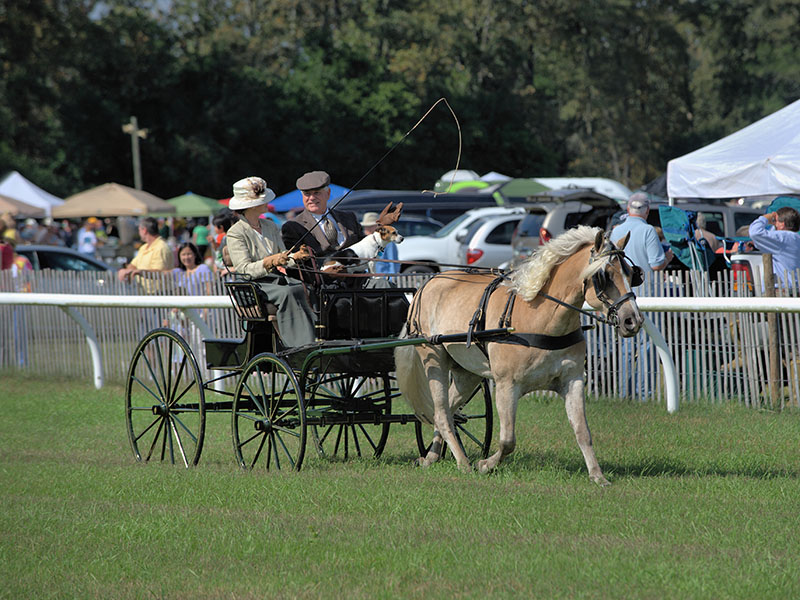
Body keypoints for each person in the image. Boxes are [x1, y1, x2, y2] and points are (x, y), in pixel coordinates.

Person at [225, 176, 316, 347]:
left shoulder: (270, 226)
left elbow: (282, 256)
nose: (267, 202)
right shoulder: (235, 233)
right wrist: (270, 261)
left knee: (303, 287)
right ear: (250, 205)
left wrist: (294, 257)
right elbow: (243, 269)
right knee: (288, 293)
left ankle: (313, 337)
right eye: (263, 199)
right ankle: (297, 345)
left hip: (276, 281)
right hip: (253, 286)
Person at [280, 170, 402, 286]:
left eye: (316, 193)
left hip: (358, 281)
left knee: (387, 287)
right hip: (324, 287)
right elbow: (295, 267)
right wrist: (325, 276)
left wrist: (382, 227)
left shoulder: (348, 217)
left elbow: (367, 245)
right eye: (307, 194)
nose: (311, 198)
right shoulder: (293, 227)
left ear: (328, 194)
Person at [610, 192, 673, 291]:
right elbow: (656, 265)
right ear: (647, 210)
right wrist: (667, 258)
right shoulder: (648, 230)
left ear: (628, 209)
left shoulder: (615, 231)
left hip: (622, 292)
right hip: (645, 291)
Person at [748, 207, 800, 287]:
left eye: (776, 222)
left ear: (782, 224)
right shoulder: (795, 238)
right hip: (794, 287)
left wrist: (765, 218)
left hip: (783, 290)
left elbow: (755, 232)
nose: (774, 224)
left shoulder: (783, 238)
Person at [117, 217, 175, 288]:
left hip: (159, 293)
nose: (139, 233)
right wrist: (126, 270)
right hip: (144, 292)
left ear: (144, 230)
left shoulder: (161, 247)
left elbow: (159, 272)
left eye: (139, 230)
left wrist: (140, 272)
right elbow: (134, 264)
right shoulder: (144, 247)